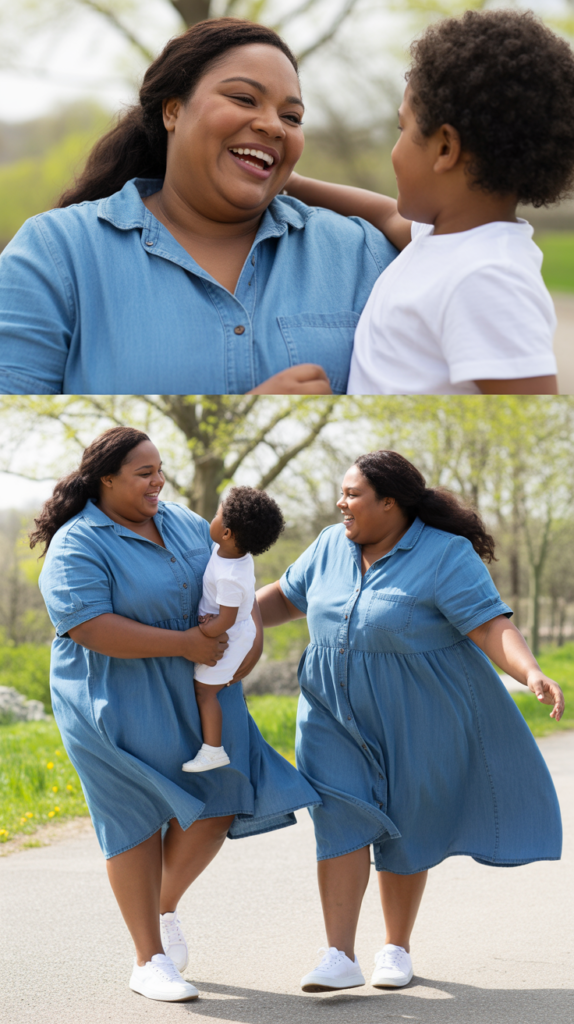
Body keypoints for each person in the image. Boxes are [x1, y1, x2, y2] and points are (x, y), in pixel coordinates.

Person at [256, 450, 564, 993]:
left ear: (391, 503)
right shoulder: (330, 544)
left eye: (352, 494)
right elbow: (284, 598)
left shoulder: (445, 554)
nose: (340, 503)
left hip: (418, 711)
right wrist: (225, 618)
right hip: (330, 709)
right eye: (342, 493)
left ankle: (395, 947)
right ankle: (338, 954)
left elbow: (490, 626)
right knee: (338, 813)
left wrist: (529, 671)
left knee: (408, 819)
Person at [33, 426, 318, 1003]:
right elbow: (90, 626)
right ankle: (148, 959)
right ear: (105, 478)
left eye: (159, 469)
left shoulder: (187, 523)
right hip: (114, 698)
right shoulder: (79, 542)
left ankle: (159, 908)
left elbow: (234, 578)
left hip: (198, 690)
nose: (157, 481)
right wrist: (186, 644)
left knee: (217, 802)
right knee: (137, 818)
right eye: (144, 473)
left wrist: (251, 641)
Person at [0, 18, 396, 396]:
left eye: (291, 117)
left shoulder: (360, 254)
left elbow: (450, 238)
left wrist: (299, 184)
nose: (273, 126)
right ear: (172, 111)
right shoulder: (55, 252)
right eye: (244, 98)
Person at [286, 9, 574, 396]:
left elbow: (533, 403)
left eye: (402, 128)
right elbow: (384, 212)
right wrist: (295, 183)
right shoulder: (446, 235)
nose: (395, 147)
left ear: (444, 148)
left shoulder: (488, 277)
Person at [182, 486, 285, 773]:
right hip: (233, 625)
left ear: (227, 533)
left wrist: (204, 632)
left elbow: (226, 621)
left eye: (217, 515)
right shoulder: (230, 551)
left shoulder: (230, 576)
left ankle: (213, 750)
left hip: (232, 635)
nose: (211, 519)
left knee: (205, 692)